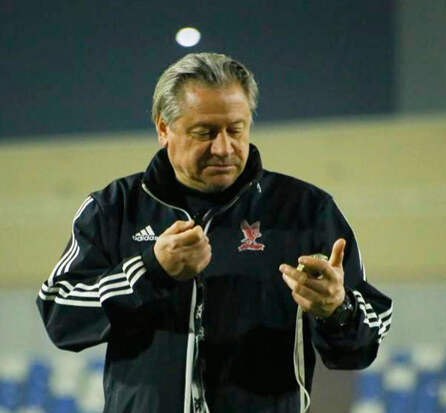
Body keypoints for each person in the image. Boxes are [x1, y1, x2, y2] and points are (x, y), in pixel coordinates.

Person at [37, 52, 392, 413]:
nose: (223, 148)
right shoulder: (113, 208)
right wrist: (150, 270)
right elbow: (59, 313)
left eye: (235, 130)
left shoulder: (306, 210)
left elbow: (362, 346)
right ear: (163, 128)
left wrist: (338, 309)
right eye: (204, 133)